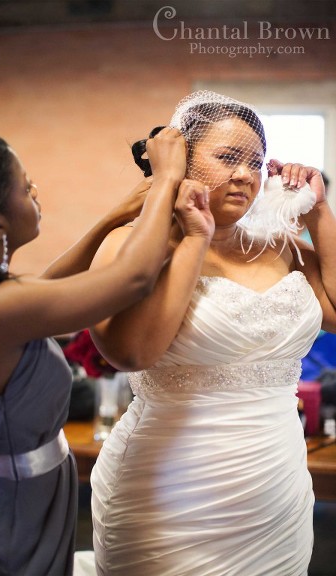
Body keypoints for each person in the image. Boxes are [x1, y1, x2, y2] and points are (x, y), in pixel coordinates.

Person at [89, 90, 336, 575]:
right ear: (181, 158)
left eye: (256, 162)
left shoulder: (283, 248)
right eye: (227, 158)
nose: (245, 174)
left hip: (276, 487)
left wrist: (317, 214)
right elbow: (132, 350)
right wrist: (195, 237)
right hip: (167, 493)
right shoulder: (135, 244)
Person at [0, 127, 213, 575]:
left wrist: (117, 215)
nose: (36, 190)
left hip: (34, 488)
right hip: (9, 506)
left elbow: (51, 286)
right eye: (24, 185)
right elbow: (133, 278)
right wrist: (167, 178)